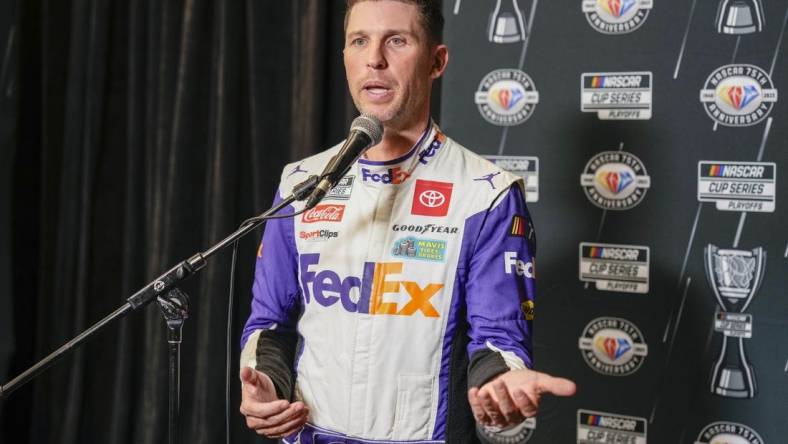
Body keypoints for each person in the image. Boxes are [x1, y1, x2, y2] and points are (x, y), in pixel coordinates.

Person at [239, 1, 576, 442]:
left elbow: (497, 339)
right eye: (359, 41)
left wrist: (500, 386)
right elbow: (269, 322)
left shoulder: (486, 193)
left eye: (396, 40)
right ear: (345, 56)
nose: (374, 58)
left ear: (437, 61)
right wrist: (265, 383)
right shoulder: (302, 183)